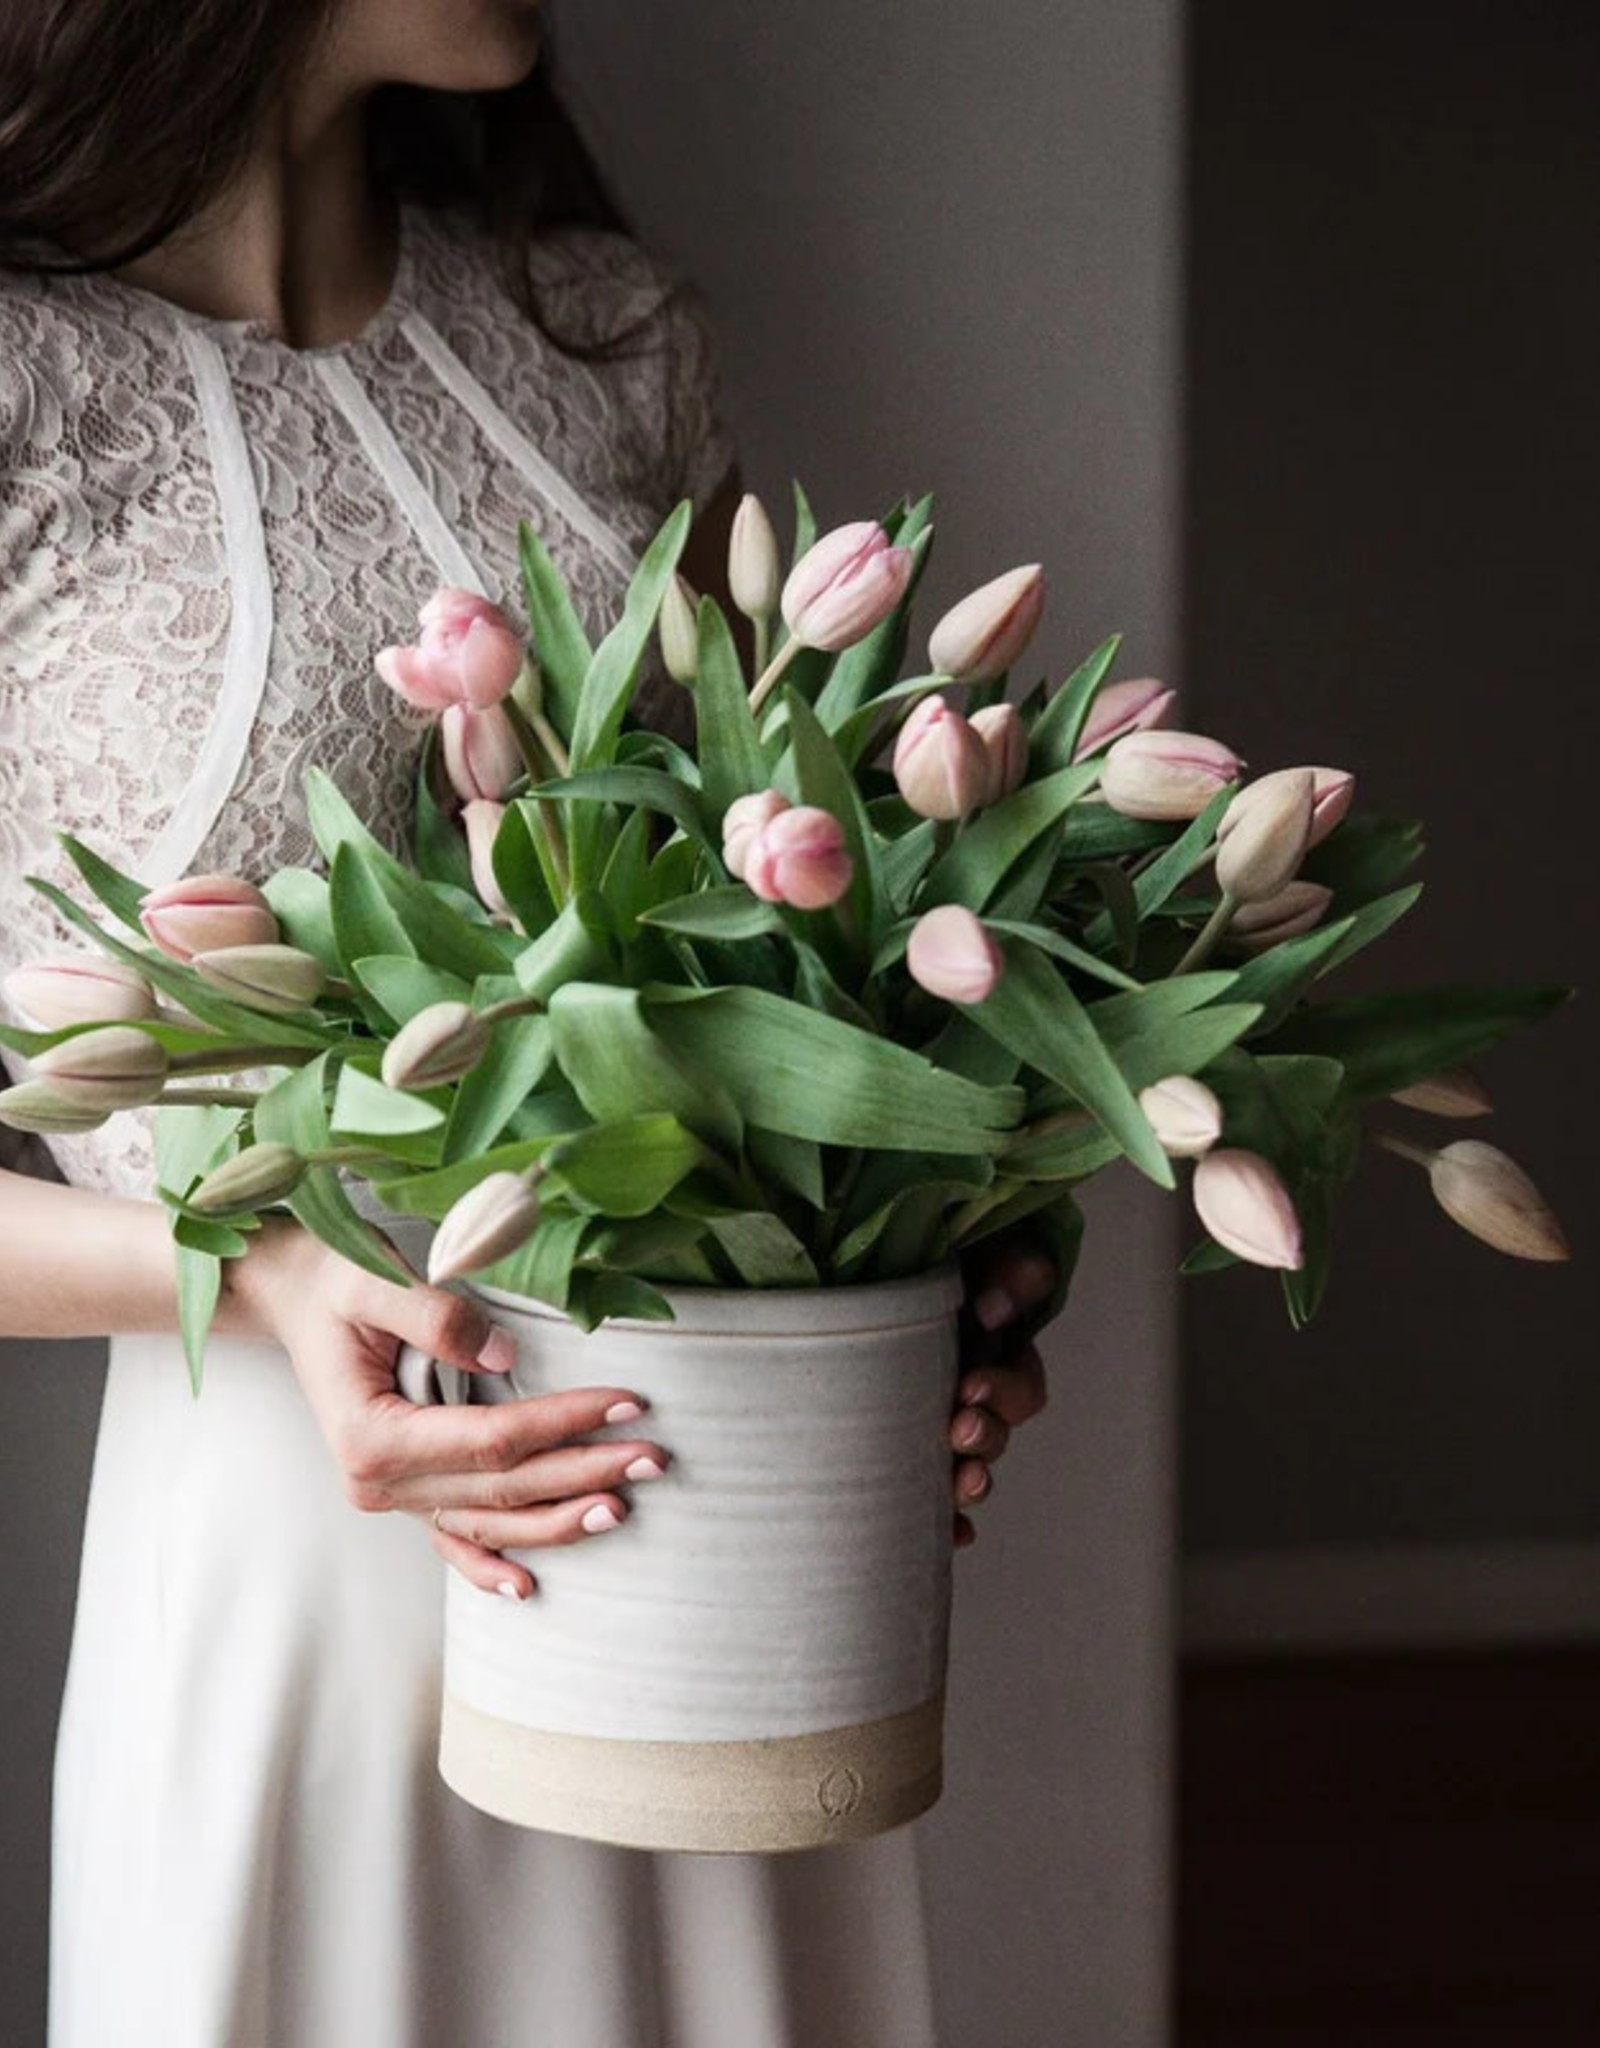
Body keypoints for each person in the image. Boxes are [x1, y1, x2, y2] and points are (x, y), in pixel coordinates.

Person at [0, 2, 1055, 2042]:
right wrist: (265, 1268)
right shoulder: (26, 382)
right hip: (288, 1558)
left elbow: (794, 943)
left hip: (718, 1525)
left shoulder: (600, 336)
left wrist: (928, 1275)